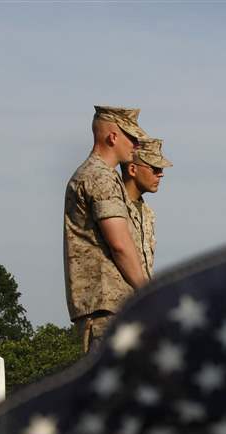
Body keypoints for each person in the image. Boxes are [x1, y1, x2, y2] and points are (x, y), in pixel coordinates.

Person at [64, 106, 148, 352]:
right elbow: (119, 244)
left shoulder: (100, 176)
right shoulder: (100, 177)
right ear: (112, 137)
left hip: (112, 310)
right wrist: (148, 292)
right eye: (131, 137)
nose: (136, 144)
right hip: (108, 312)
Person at [120, 137, 172, 282]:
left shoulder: (147, 213)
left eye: (160, 169)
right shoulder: (115, 208)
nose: (160, 174)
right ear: (132, 169)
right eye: (155, 168)